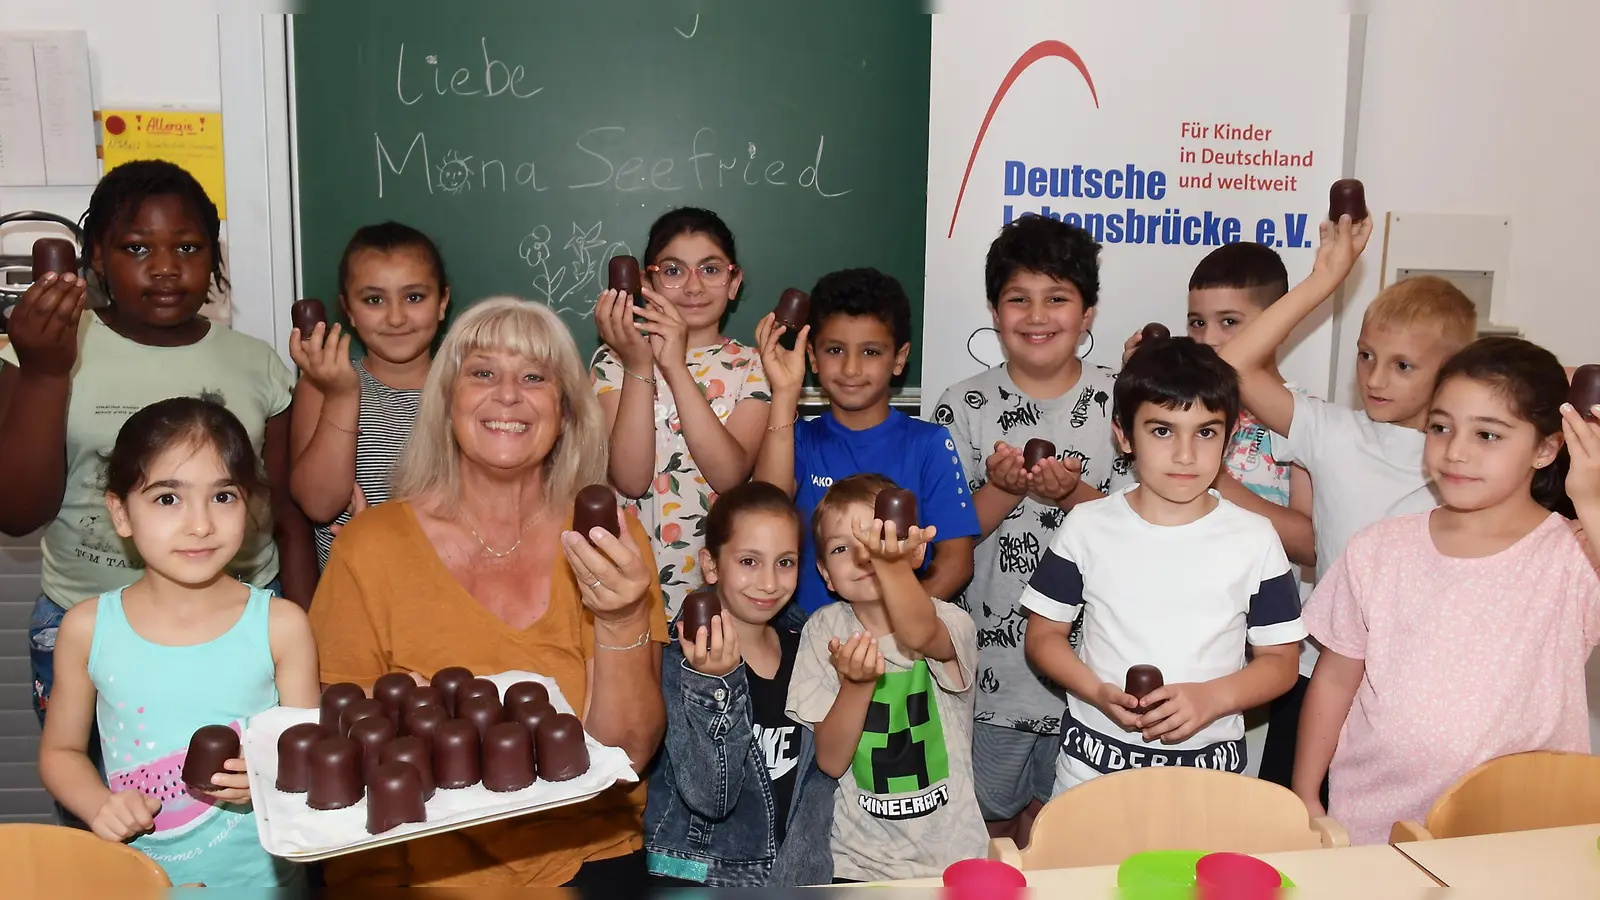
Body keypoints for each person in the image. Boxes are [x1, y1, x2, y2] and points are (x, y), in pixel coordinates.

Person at [307, 297, 669, 889]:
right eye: (482, 373)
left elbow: (625, 755)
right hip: (411, 866)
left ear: (567, 413)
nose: (508, 394)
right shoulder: (369, 547)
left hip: (580, 861)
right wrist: (407, 719)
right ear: (447, 402)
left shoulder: (608, 543)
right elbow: (337, 751)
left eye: (534, 377)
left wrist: (623, 616)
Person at [0, 161, 313, 823]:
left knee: (256, 802)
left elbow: (280, 510)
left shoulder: (254, 363)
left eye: (189, 248)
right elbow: (17, 512)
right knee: (109, 814)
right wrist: (46, 373)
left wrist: (312, 627)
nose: (165, 267)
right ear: (96, 259)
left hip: (241, 619)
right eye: (136, 248)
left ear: (213, 257)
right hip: (88, 617)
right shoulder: (47, 349)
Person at [1293, 337, 1600, 845]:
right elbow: (1335, 678)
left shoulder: (1573, 556)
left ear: (1546, 449)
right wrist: (1305, 791)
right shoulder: (1379, 548)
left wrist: (1591, 502)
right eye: (1441, 427)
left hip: (1523, 834)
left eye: (1489, 435)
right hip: (1374, 828)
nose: (1456, 451)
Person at [1217, 212, 1475, 799]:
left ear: (1451, 371)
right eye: (1365, 355)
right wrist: (1324, 280)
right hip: (1319, 678)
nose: (1375, 377)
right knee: (1293, 825)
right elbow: (1231, 366)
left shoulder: (1470, 461)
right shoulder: (1332, 431)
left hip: (1421, 690)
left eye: (1402, 365)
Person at [37, 397, 319, 887]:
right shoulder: (86, 629)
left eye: (223, 496)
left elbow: (311, 749)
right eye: (168, 498)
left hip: (264, 885)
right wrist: (99, 804)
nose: (200, 523)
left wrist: (271, 774)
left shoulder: (282, 626)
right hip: (138, 882)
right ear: (120, 513)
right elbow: (60, 751)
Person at [1022, 338, 1304, 793]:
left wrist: (1212, 697)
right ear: (1123, 435)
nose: (1185, 454)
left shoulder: (1255, 539)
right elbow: (1043, 636)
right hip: (1090, 780)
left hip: (1207, 786)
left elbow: (1280, 662)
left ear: (1229, 438)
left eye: (1205, 432)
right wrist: (1095, 691)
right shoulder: (1086, 526)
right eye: (1162, 431)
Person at [931, 215, 1129, 845]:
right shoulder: (960, 407)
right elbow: (946, 545)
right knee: (987, 827)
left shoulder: (1127, 403)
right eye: (1018, 298)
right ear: (994, 310)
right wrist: (1005, 488)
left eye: (1057, 298)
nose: (1037, 315)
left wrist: (1075, 495)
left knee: (1061, 836)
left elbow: (1146, 530)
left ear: (1089, 312)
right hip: (992, 671)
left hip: (1094, 670)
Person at [785, 474, 985, 883]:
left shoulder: (950, 621)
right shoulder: (823, 632)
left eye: (876, 541)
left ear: (913, 549)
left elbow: (918, 635)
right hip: (858, 863)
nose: (865, 557)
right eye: (843, 547)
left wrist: (891, 565)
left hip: (952, 859)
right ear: (825, 572)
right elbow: (831, 759)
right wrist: (856, 686)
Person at [754, 267, 979, 614]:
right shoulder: (798, 439)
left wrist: (893, 626)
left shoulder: (929, 444)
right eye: (834, 350)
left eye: (871, 352)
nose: (851, 369)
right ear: (812, 356)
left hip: (904, 647)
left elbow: (956, 563)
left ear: (899, 358)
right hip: (809, 644)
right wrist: (784, 393)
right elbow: (764, 513)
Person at [644, 481, 834, 887]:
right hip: (706, 877)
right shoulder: (678, 665)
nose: (769, 583)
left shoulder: (811, 648)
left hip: (794, 877)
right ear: (711, 565)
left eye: (785, 562)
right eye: (749, 561)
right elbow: (711, 798)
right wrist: (716, 686)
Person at [593, 208, 770, 618]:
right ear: (645, 281)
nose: (693, 287)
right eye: (673, 270)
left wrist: (673, 366)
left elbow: (728, 474)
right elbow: (631, 479)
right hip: (631, 584)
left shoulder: (752, 366)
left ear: (734, 281)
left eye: (710, 269)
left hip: (719, 595)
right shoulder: (615, 360)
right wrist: (642, 364)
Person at [289, 221, 449, 568]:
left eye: (414, 297)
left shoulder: (466, 390)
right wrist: (342, 395)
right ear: (348, 309)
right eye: (374, 299)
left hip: (446, 594)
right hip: (354, 599)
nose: (395, 317)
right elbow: (319, 503)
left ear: (442, 302)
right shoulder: (322, 386)